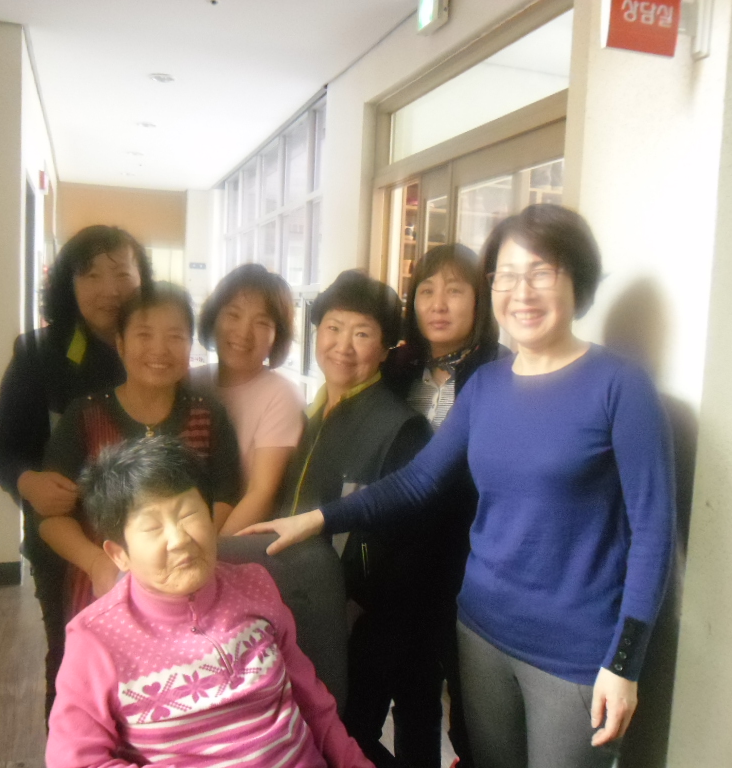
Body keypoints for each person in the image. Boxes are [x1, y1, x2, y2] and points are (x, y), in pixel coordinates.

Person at [243, 205, 677, 768]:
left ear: (577, 279)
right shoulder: (487, 386)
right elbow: (420, 480)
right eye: (506, 276)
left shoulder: (620, 386)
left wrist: (624, 663)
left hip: (574, 653)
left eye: (540, 273)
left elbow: (653, 534)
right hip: (481, 631)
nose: (521, 292)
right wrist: (317, 518)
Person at [46, 436, 372, 768]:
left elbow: (313, 701)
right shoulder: (96, 639)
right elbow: (76, 761)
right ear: (119, 554)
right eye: (153, 527)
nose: (179, 539)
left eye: (188, 514)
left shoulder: (255, 585)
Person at [0, 224, 153, 718]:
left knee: (148, 664)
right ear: (68, 285)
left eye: (122, 274)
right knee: (72, 665)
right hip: (64, 544)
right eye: (91, 275)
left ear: (143, 279)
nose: (109, 289)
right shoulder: (38, 355)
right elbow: (2, 451)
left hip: (147, 544)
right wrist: (29, 482)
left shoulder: (156, 350)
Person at [275, 270, 438, 768]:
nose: (343, 345)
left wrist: (351, 609)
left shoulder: (402, 428)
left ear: (385, 349)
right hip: (298, 607)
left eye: (362, 333)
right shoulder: (310, 412)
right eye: (333, 328)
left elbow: (405, 547)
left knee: (346, 738)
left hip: (359, 625)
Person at [39, 282, 243, 621]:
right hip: (103, 587)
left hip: (191, 584)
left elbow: (226, 497)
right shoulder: (85, 416)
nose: (159, 349)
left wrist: (192, 548)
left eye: (175, 336)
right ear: (120, 343)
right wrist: (96, 562)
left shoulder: (208, 415)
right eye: (144, 335)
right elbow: (50, 517)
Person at [381, 243, 508, 768]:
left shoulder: (500, 371)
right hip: (403, 557)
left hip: (471, 557)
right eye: (427, 291)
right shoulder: (396, 370)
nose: (438, 304)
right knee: (412, 692)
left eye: (455, 290)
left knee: (472, 702)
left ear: (479, 301)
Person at [192, 263, 305, 535]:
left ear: (277, 336)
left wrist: (213, 551)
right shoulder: (190, 382)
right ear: (214, 318)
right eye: (233, 314)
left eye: (262, 322)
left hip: (237, 545)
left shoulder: (281, 395)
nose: (243, 332)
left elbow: (261, 495)